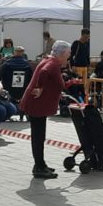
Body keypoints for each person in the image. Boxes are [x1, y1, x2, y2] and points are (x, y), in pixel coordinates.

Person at [20, 41, 71, 179]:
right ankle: (39, 167)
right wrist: (40, 87)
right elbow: (44, 72)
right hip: (37, 104)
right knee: (38, 137)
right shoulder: (53, 64)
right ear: (62, 53)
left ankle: (41, 164)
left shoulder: (49, 59)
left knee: (39, 136)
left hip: (36, 104)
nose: (69, 55)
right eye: (68, 53)